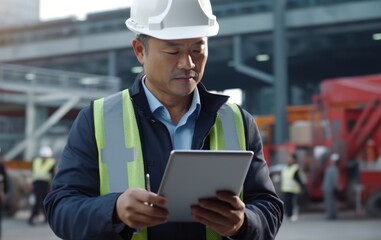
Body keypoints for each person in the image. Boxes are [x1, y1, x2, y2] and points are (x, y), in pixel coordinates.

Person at [44, 0, 284, 239]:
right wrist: (114, 210)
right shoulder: (96, 120)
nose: (187, 63)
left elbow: (269, 208)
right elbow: (61, 209)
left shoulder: (238, 121)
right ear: (140, 50)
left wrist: (243, 223)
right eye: (173, 51)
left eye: (197, 50)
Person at [28, 146, 56, 226]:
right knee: (38, 201)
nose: (45, 158)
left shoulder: (52, 162)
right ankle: (34, 217)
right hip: (37, 183)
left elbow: (53, 175)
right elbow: (32, 173)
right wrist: (30, 183)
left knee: (44, 201)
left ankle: (43, 218)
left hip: (45, 184)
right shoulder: (36, 161)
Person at [280, 153, 305, 222]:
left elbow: (299, 178)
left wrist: (302, 186)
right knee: (287, 203)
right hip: (286, 188)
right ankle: (288, 214)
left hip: (293, 189)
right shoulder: (285, 167)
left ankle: (294, 215)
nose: (288, 159)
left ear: (294, 159)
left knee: (293, 203)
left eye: (290, 158)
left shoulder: (296, 168)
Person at [322, 152, 340, 220]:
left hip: (327, 188)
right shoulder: (335, 169)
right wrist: (336, 188)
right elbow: (334, 180)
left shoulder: (329, 168)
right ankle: (332, 215)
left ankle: (331, 215)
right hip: (331, 188)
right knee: (332, 202)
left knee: (329, 202)